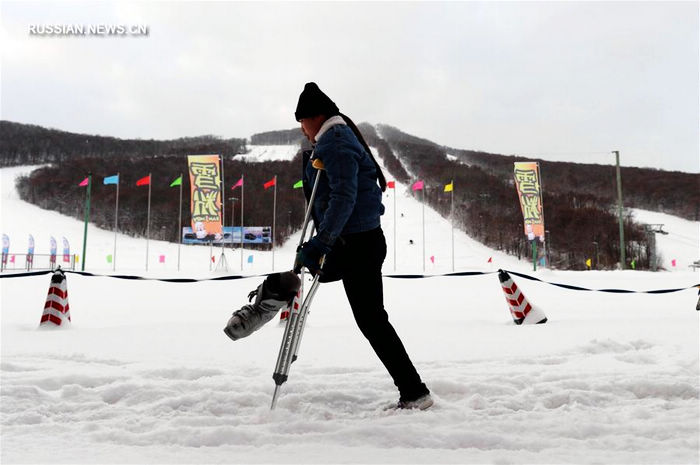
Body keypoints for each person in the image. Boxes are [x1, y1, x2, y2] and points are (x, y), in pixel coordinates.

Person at [293, 82, 432, 410]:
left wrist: (322, 242)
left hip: (354, 243)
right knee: (371, 318)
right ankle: (413, 390)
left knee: (371, 319)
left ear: (315, 117)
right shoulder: (333, 138)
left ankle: (415, 391)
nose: (302, 130)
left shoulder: (337, 142)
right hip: (357, 241)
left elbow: (344, 195)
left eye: (302, 122)